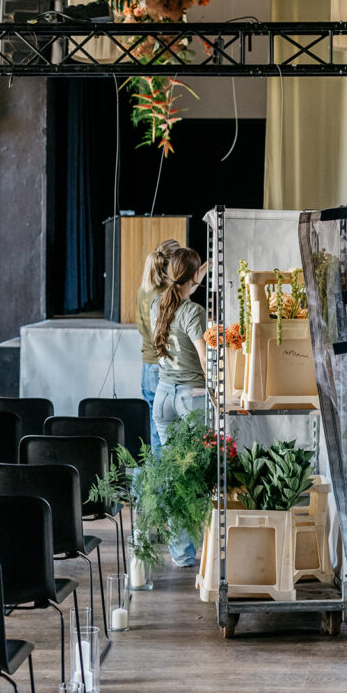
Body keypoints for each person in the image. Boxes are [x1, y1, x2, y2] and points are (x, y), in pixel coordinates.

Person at [150, 247, 208, 567]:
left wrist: (198, 273)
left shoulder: (156, 304)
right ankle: (207, 549)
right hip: (191, 397)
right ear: (194, 276)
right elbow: (204, 358)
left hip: (163, 397)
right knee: (197, 474)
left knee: (176, 475)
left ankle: (182, 553)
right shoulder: (193, 311)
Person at [136, 239, 181, 450]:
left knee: (157, 430)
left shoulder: (144, 289)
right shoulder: (168, 293)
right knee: (171, 433)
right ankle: (166, 473)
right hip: (164, 368)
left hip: (147, 366)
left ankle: (157, 472)